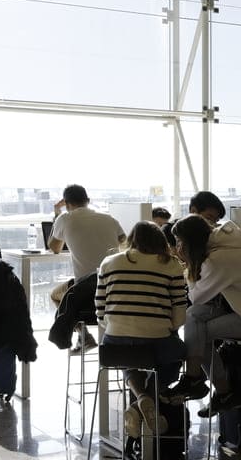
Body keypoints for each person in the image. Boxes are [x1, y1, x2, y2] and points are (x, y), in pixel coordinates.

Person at [167, 214, 241, 416]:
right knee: (193, 316)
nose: (177, 247)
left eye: (180, 242)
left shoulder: (218, 259)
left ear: (190, 242)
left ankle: (205, 382)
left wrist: (187, 266)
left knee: (198, 328)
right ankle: (209, 386)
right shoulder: (222, 251)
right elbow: (198, 303)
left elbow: (196, 296)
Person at [95, 222, 188, 438]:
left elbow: (100, 307)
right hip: (157, 339)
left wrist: (115, 326)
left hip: (115, 341)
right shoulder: (172, 265)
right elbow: (179, 310)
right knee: (177, 354)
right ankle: (148, 398)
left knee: (129, 358)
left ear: (131, 239)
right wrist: (167, 328)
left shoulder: (109, 262)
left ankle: (140, 399)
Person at [48, 184, 126, 349]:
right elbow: (124, 242)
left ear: (66, 203)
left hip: (85, 294)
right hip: (115, 290)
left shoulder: (64, 218)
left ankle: (84, 335)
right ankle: (86, 337)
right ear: (88, 201)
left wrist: (57, 213)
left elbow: (54, 248)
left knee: (55, 295)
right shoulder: (109, 219)